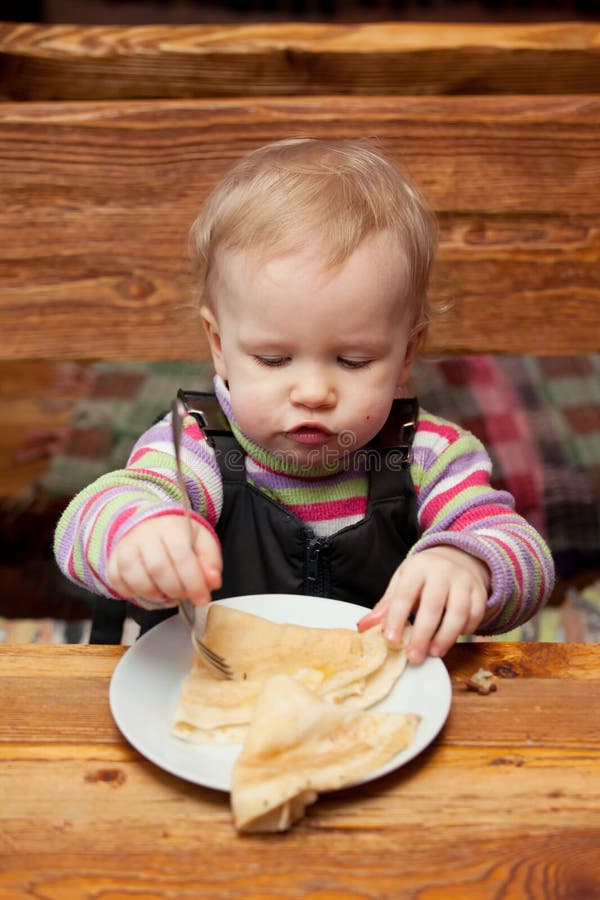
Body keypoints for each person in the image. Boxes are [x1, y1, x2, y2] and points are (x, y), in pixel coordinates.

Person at [54, 138, 554, 663]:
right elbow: (86, 521)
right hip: (211, 697)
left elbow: (527, 559)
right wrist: (138, 534)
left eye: (353, 361)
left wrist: (466, 562)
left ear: (406, 354)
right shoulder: (197, 447)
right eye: (273, 360)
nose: (313, 393)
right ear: (220, 346)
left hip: (374, 704)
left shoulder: (427, 454)